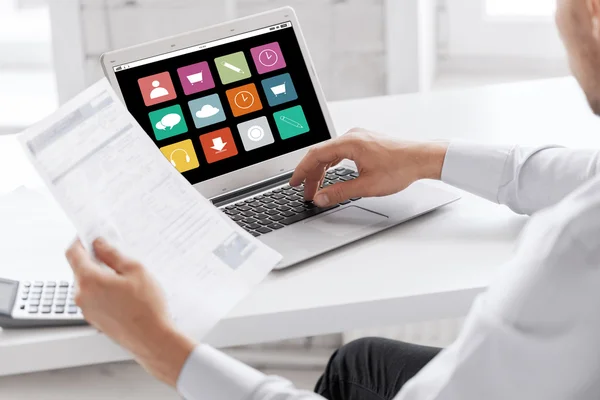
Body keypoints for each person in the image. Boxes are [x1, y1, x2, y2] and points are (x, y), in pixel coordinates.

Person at [66, 0, 600, 399]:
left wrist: (162, 348)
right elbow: (582, 174)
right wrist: (426, 156)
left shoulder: (574, 249)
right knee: (359, 361)